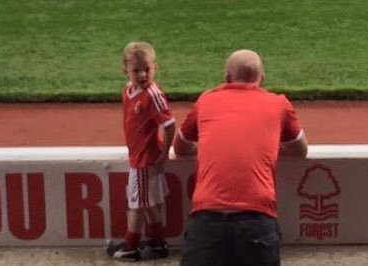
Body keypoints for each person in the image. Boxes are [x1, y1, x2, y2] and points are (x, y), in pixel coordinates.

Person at [174, 49, 309, 266]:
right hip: (257, 219)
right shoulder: (279, 104)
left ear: (227, 77)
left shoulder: (206, 100)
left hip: (207, 219)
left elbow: (180, 147)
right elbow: (300, 150)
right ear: (261, 79)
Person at [106, 41, 175, 261]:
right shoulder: (128, 91)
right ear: (125, 70)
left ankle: (131, 246)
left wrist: (163, 156)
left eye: (147, 69)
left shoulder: (153, 95)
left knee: (135, 205)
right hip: (138, 157)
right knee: (147, 204)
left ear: (156, 67)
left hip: (145, 160)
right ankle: (157, 243)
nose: (143, 74)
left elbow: (170, 125)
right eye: (137, 70)